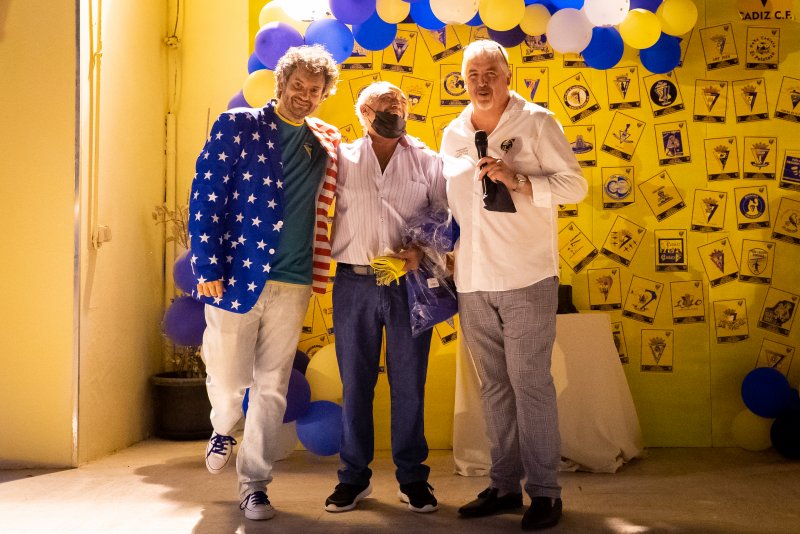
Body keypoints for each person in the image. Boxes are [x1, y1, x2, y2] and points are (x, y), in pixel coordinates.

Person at [187, 45, 341, 521]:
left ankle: (254, 484)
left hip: (294, 282)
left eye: (315, 90)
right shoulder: (239, 126)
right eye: (298, 85)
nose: (305, 96)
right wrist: (207, 266)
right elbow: (205, 195)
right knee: (230, 379)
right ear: (281, 83)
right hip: (235, 276)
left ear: (324, 96)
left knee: (272, 386)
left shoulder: (325, 142)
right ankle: (222, 427)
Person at [440, 40, 588, 531]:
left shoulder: (538, 122)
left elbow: (576, 186)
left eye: (490, 73)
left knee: (530, 384)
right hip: (472, 280)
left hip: (527, 276)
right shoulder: (453, 133)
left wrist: (520, 181)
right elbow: (450, 204)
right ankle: (504, 486)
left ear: (507, 76)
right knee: (495, 388)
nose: (481, 82)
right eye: (472, 75)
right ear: (463, 81)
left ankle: (544, 492)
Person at [323, 81, 447, 514]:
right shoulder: (340, 159)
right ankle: (353, 478)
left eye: (400, 103)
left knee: (409, 383)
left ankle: (412, 478)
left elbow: (445, 216)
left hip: (408, 284)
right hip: (353, 283)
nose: (394, 110)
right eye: (383, 105)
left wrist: (421, 251)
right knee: (355, 383)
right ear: (363, 114)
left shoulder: (428, 160)